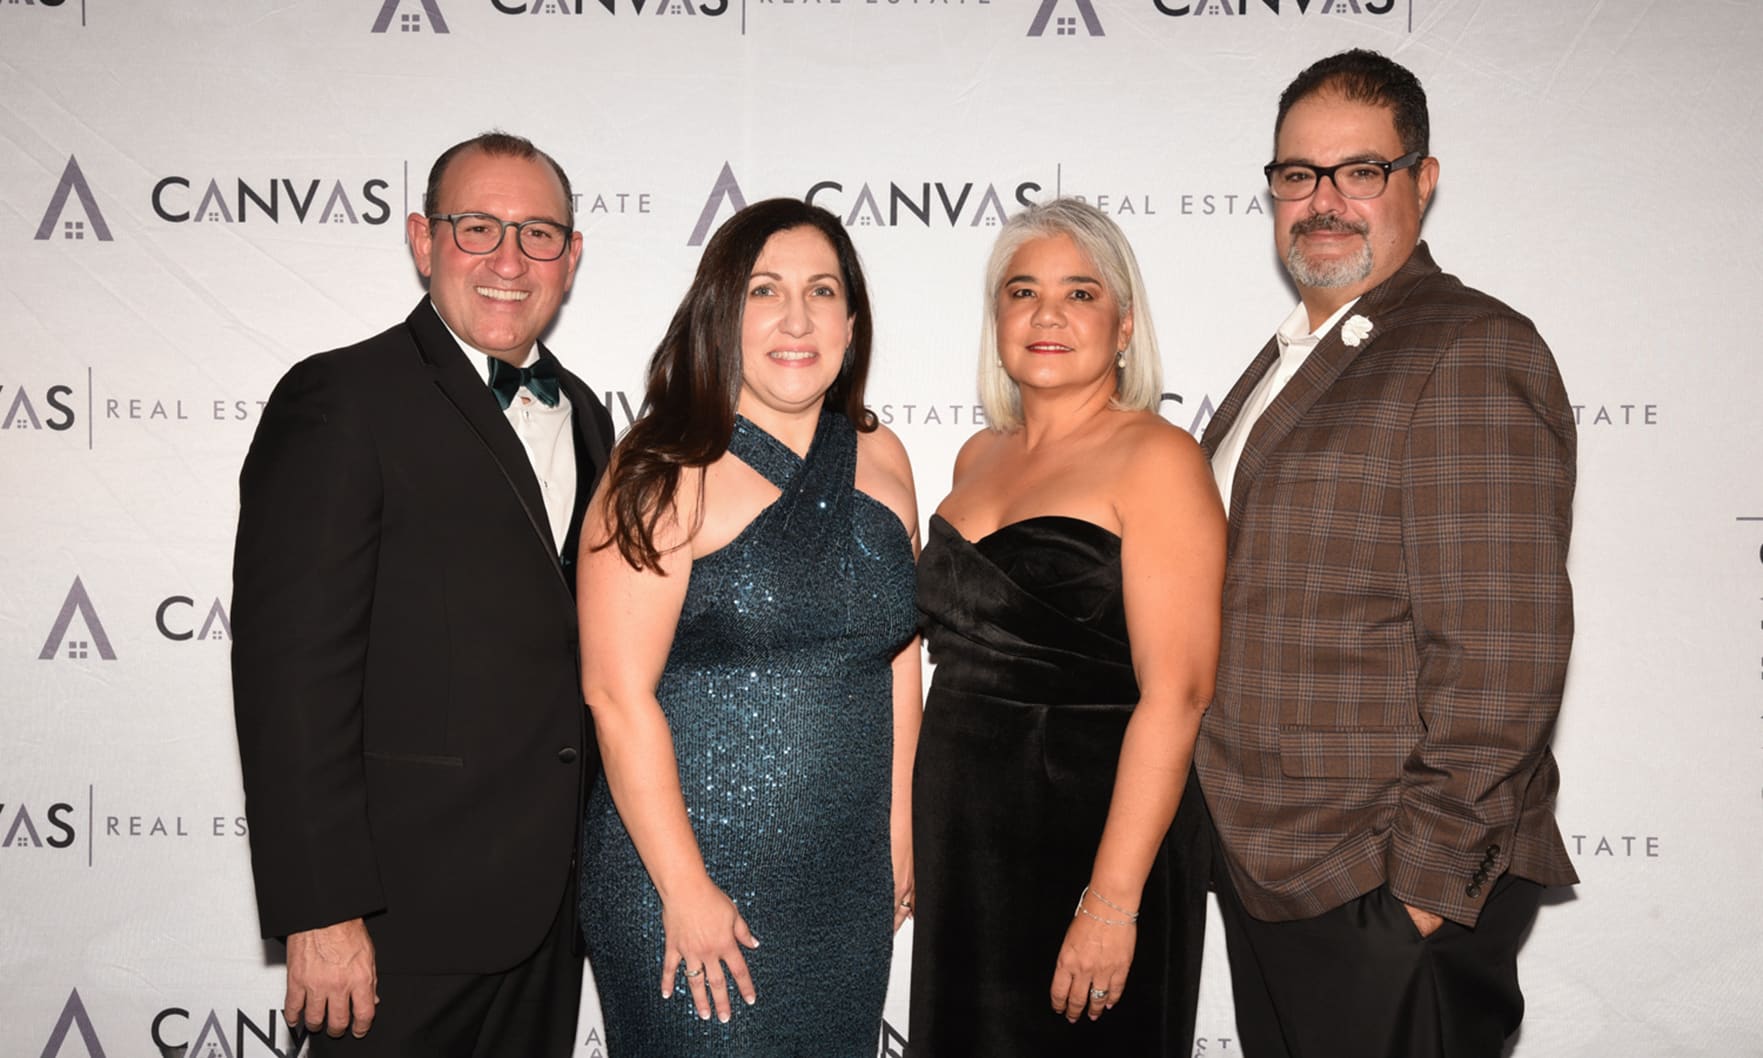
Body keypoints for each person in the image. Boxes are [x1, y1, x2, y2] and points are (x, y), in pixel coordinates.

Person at [1198, 49, 1578, 1058]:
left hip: (1382, 880)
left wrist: (1423, 891)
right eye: (1297, 174)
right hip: (1272, 866)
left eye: (1359, 170)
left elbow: (1501, 655)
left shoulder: (1467, 347)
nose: (1322, 200)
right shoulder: (1291, 356)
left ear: (1423, 179)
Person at [231, 131, 614, 1057]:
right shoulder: (343, 398)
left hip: (552, 910)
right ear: (422, 240)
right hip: (397, 920)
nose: (508, 261)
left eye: (537, 234)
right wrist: (321, 911)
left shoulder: (590, 415)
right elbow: (290, 677)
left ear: (570, 256)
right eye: (477, 227)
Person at [576, 198, 920, 1056]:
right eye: (764, 290)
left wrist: (899, 830)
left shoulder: (882, 455)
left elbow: (897, 657)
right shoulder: (661, 468)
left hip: (844, 882)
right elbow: (615, 696)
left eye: (821, 291)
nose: (795, 319)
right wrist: (684, 889)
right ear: (721, 313)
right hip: (684, 879)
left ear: (851, 323)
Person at [908, 197, 1225, 1057]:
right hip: (964, 829)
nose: (1046, 315)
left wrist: (1111, 901)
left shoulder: (1158, 456)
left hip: (1095, 828)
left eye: (1079, 293)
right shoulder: (977, 457)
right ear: (997, 321)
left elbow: (1179, 693)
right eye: (1022, 292)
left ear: (1123, 326)